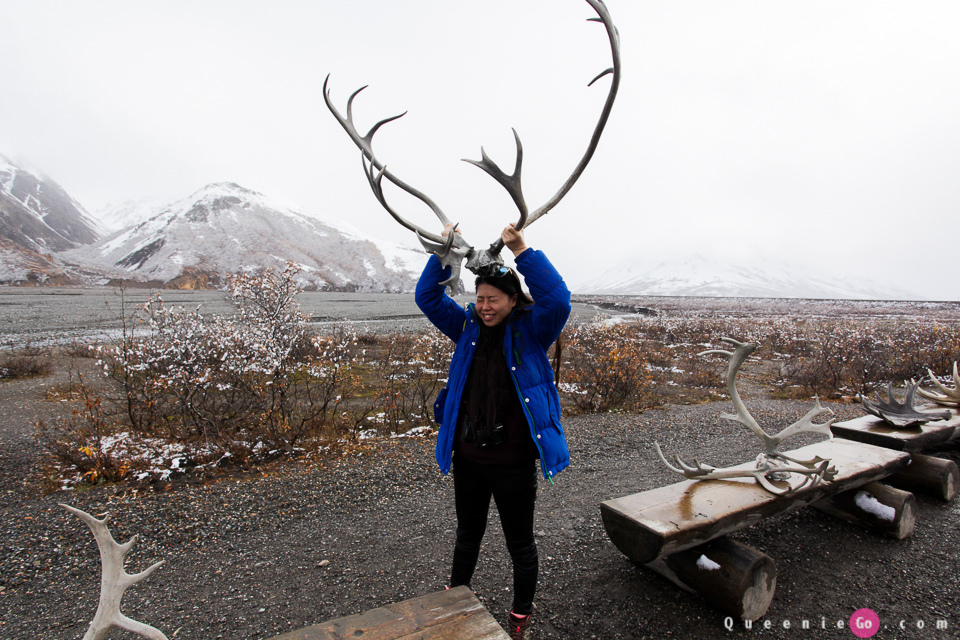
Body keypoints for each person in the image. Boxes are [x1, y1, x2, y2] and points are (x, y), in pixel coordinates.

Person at [415, 223, 571, 640]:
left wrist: (522, 249)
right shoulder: (465, 328)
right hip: (468, 458)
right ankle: (455, 602)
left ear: (513, 299)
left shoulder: (531, 331)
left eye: (493, 299)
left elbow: (558, 299)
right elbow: (427, 297)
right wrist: (444, 255)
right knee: (467, 535)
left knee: (520, 544)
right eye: (480, 298)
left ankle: (519, 617)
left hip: (513, 464)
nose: (485, 306)